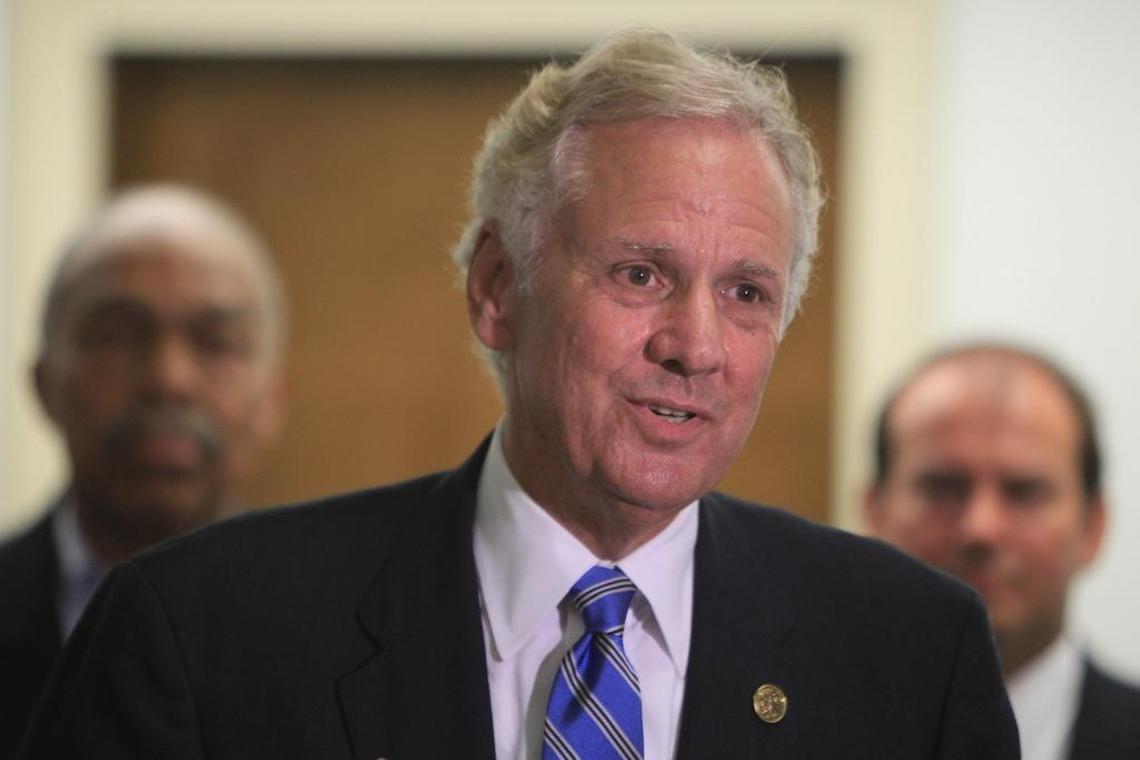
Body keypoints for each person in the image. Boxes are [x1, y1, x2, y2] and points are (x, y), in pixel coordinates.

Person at [19, 30, 1017, 759]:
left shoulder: (915, 655)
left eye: (747, 293)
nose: (696, 347)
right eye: (640, 273)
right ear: (498, 288)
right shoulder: (199, 630)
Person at [0, 185, 286, 759]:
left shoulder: (334, 631)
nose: (167, 378)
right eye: (117, 336)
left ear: (272, 400)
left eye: (215, 342)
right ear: (44, 384)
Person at [864, 343, 1140, 759]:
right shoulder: (795, 732)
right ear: (875, 511)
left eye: (1024, 492)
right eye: (943, 488)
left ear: (1093, 526)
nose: (981, 529)